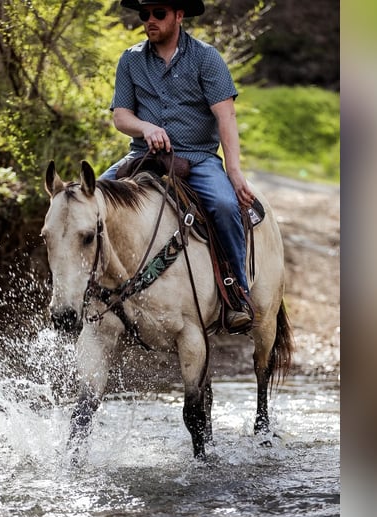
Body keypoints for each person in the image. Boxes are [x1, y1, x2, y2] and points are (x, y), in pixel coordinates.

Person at [100, 0, 255, 330]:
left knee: (225, 205)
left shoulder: (206, 57)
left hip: (196, 157)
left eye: (159, 13)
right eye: (145, 15)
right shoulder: (130, 59)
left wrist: (234, 170)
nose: (150, 20)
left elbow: (225, 116)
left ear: (178, 15)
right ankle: (92, 292)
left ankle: (236, 294)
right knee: (92, 200)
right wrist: (146, 128)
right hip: (143, 154)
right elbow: (121, 116)